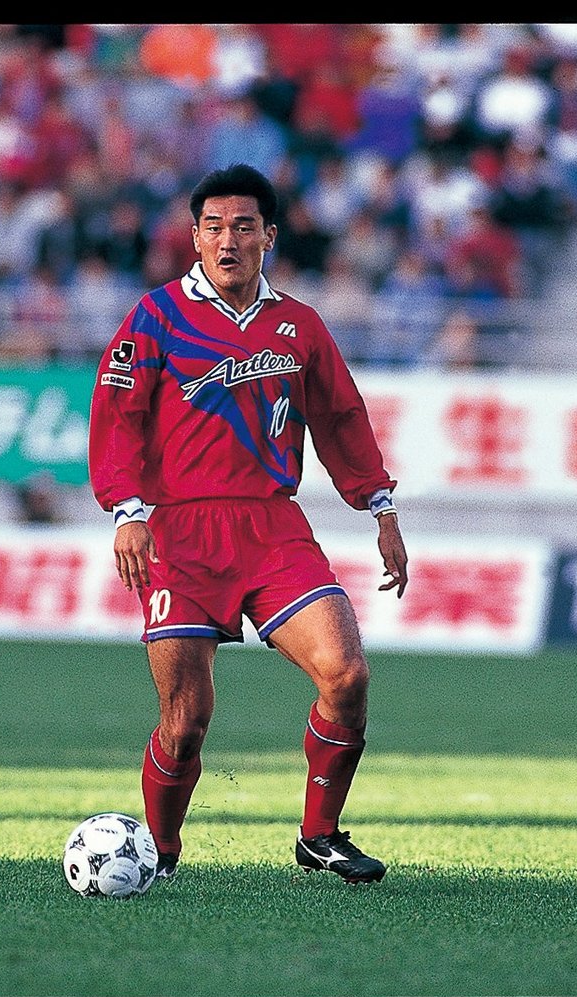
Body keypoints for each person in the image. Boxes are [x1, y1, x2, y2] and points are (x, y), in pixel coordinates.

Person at [87, 163, 410, 885]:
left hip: (272, 528)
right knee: (187, 716)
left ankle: (319, 835)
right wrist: (128, 511)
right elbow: (117, 421)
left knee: (347, 673)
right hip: (178, 531)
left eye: (242, 227)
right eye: (212, 227)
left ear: (268, 235)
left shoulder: (298, 325)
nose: (227, 240)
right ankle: (161, 855)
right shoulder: (156, 316)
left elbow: (342, 420)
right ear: (194, 238)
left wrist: (380, 507)